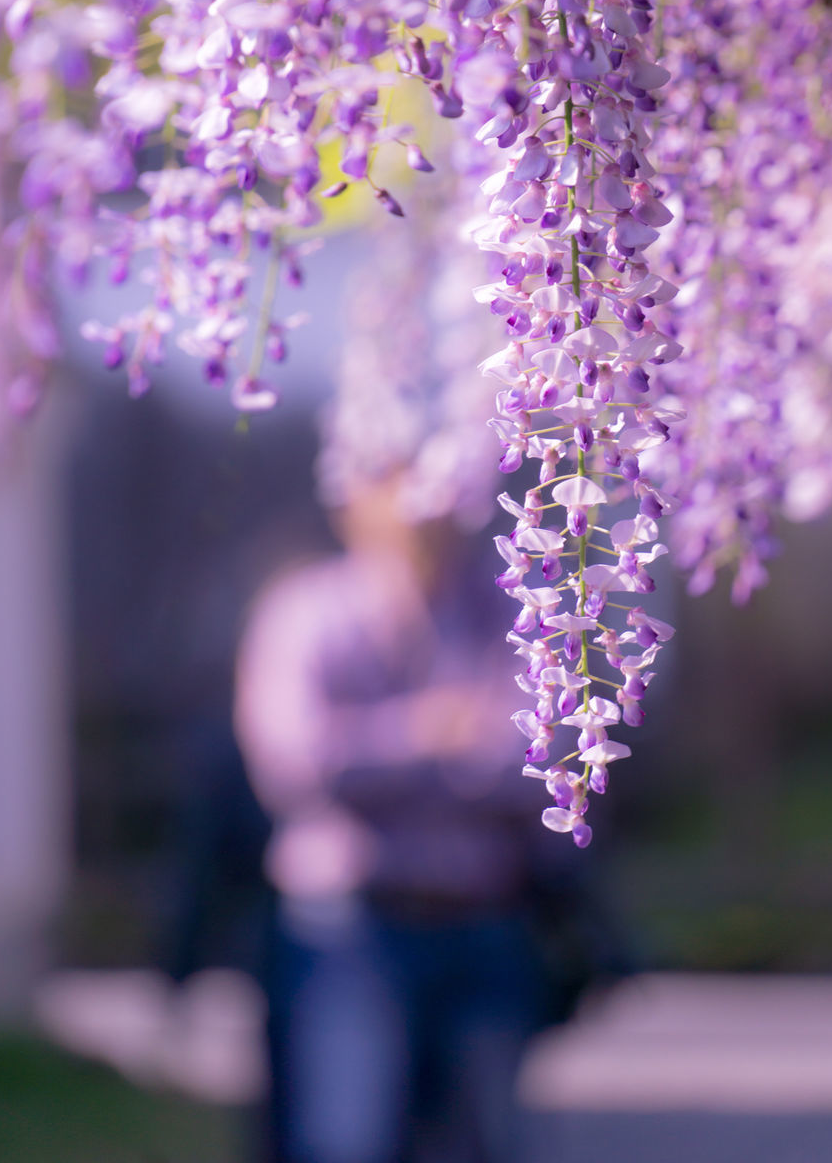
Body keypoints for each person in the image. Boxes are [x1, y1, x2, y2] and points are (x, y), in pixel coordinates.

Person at [234, 481, 611, 1163]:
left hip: (485, 919)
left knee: (487, 1139)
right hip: (350, 926)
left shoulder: (507, 610)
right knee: (347, 1136)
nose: (423, 509)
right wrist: (429, 733)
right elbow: (297, 766)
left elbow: (542, 768)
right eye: (402, 484)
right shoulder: (307, 613)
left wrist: (381, 758)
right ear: (354, 500)